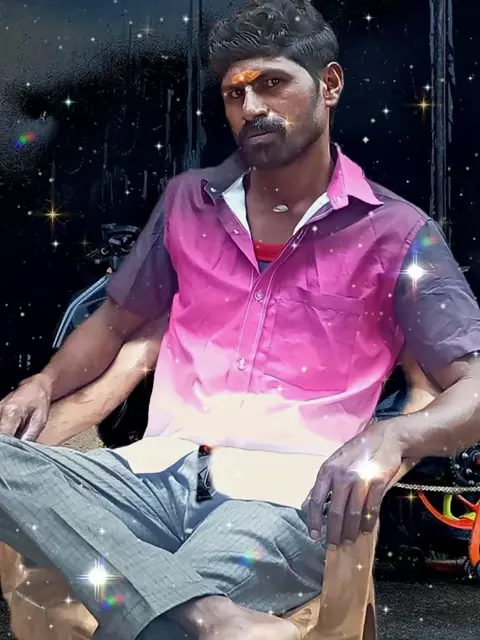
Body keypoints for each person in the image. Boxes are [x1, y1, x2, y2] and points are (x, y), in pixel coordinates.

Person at [1, 0, 480, 638]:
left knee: (143, 619)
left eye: (272, 83)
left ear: (330, 85)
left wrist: (396, 436)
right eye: (235, 92)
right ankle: (205, 614)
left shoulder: (397, 233)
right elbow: (114, 323)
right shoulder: (187, 204)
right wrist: (42, 383)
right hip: (150, 476)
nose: (251, 106)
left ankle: (172, 606)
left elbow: (474, 385)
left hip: (284, 496)